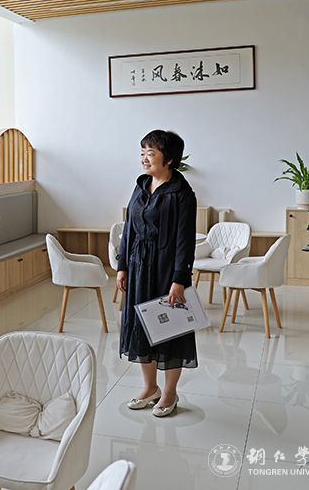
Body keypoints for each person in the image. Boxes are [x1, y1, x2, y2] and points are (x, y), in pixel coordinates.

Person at [116, 129, 197, 417]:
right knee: (141, 326)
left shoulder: (182, 194)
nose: (144, 158)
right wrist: (122, 265)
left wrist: (179, 279)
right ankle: (150, 388)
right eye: (142, 153)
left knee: (169, 329)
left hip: (165, 270)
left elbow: (185, 241)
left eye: (151, 153)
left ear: (169, 159)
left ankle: (170, 392)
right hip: (138, 267)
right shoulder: (141, 186)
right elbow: (129, 228)